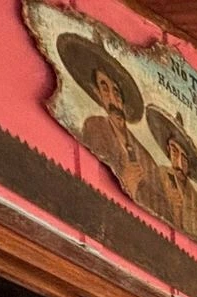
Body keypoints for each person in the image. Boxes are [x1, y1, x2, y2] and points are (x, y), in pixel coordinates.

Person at [56, 34, 163, 213]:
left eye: (116, 92)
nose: (113, 98)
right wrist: (127, 182)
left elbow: (159, 203)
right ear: (98, 94)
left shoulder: (144, 155)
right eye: (105, 89)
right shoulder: (96, 127)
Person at [149, 109, 197, 248]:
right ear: (168, 150)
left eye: (185, 159)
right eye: (175, 152)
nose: (180, 164)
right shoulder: (157, 175)